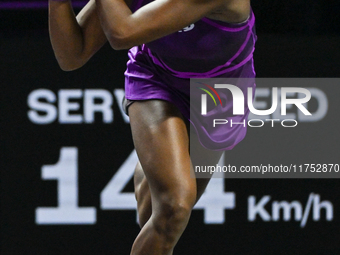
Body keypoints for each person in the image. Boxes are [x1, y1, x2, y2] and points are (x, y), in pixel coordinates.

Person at [48, 0, 256, 254]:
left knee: (155, 216)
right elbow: (72, 55)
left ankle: (155, 161)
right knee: (174, 208)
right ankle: (162, 152)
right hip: (157, 76)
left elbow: (122, 32)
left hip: (220, 95)